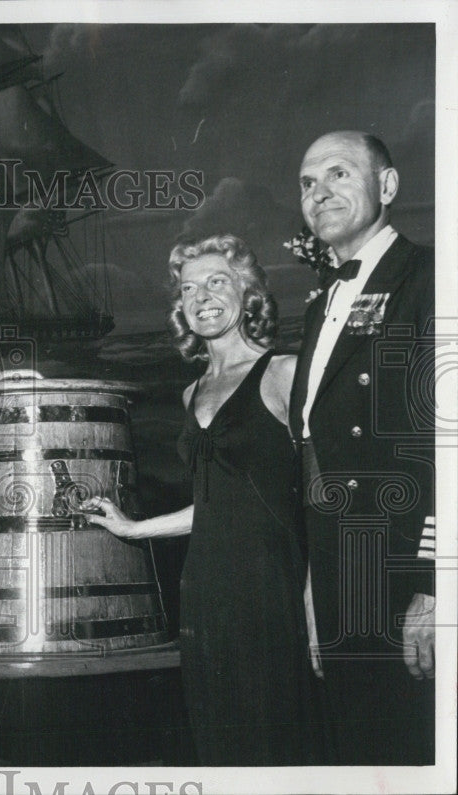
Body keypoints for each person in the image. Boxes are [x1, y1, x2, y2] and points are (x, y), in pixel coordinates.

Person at [84, 234, 324, 765]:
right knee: (218, 741)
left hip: (272, 585)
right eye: (189, 288)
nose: (202, 296)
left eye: (217, 281)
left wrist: (314, 600)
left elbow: (318, 499)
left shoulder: (284, 372)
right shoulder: (192, 392)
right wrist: (131, 528)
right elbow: (217, 504)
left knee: (278, 743)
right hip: (204, 588)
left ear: (248, 292)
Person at [291, 131, 435, 764]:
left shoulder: (430, 276)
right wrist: (313, 589)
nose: (319, 192)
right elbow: (313, 450)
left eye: (339, 174)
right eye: (306, 182)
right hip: (338, 571)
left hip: (403, 571)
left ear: (388, 186)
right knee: (357, 754)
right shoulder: (320, 304)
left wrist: (437, 588)